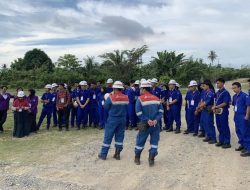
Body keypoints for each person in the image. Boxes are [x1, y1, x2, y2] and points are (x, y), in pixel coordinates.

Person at [134, 81, 163, 166]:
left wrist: (147, 120)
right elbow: (161, 111)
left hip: (144, 124)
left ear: (143, 89)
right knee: (154, 142)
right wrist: (155, 120)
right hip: (155, 124)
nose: (140, 90)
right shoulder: (156, 98)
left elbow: (138, 112)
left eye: (140, 89)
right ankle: (151, 159)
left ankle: (137, 158)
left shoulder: (140, 99)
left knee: (140, 141)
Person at [98, 81, 129, 160]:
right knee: (120, 136)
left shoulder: (111, 97)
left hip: (112, 119)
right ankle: (117, 154)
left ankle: (103, 155)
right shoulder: (126, 97)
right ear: (121, 89)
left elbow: (105, 107)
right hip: (122, 119)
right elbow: (127, 107)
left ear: (114, 88)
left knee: (108, 136)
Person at [212, 78, 231, 148]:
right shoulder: (217, 92)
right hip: (217, 112)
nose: (217, 84)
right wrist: (214, 106)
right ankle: (221, 140)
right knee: (219, 126)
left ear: (223, 83)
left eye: (218, 83)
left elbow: (225, 103)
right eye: (216, 83)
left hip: (223, 112)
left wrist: (216, 106)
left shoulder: (225, 92)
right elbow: (215, 101)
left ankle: (227, 142)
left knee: (224, 126)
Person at [197, 80, 217, 144]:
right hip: (204, 109)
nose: (203, 87)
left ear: (208, 86)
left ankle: (213, 138)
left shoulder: (211, 93)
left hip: (208, 109)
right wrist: (200, 105)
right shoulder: (204, 92)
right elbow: (202, 100)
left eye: (204, 86)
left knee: (209, 123)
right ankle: (208, 136)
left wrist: (199, 107)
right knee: (204, 123)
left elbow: (206, 102)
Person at [231, 82, 249, 153]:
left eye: (235, 88)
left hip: (243, 116)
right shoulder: (234, 96)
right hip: (237, 116)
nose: (234, 89)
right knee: (238, 131)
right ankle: (243, 145)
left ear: (239, 87)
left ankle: (248, 148)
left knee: (245, 132)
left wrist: (247, 116)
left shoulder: (245, 96)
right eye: (233, 88)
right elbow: (235, 106)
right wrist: (234, 116)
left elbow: (248, 106)